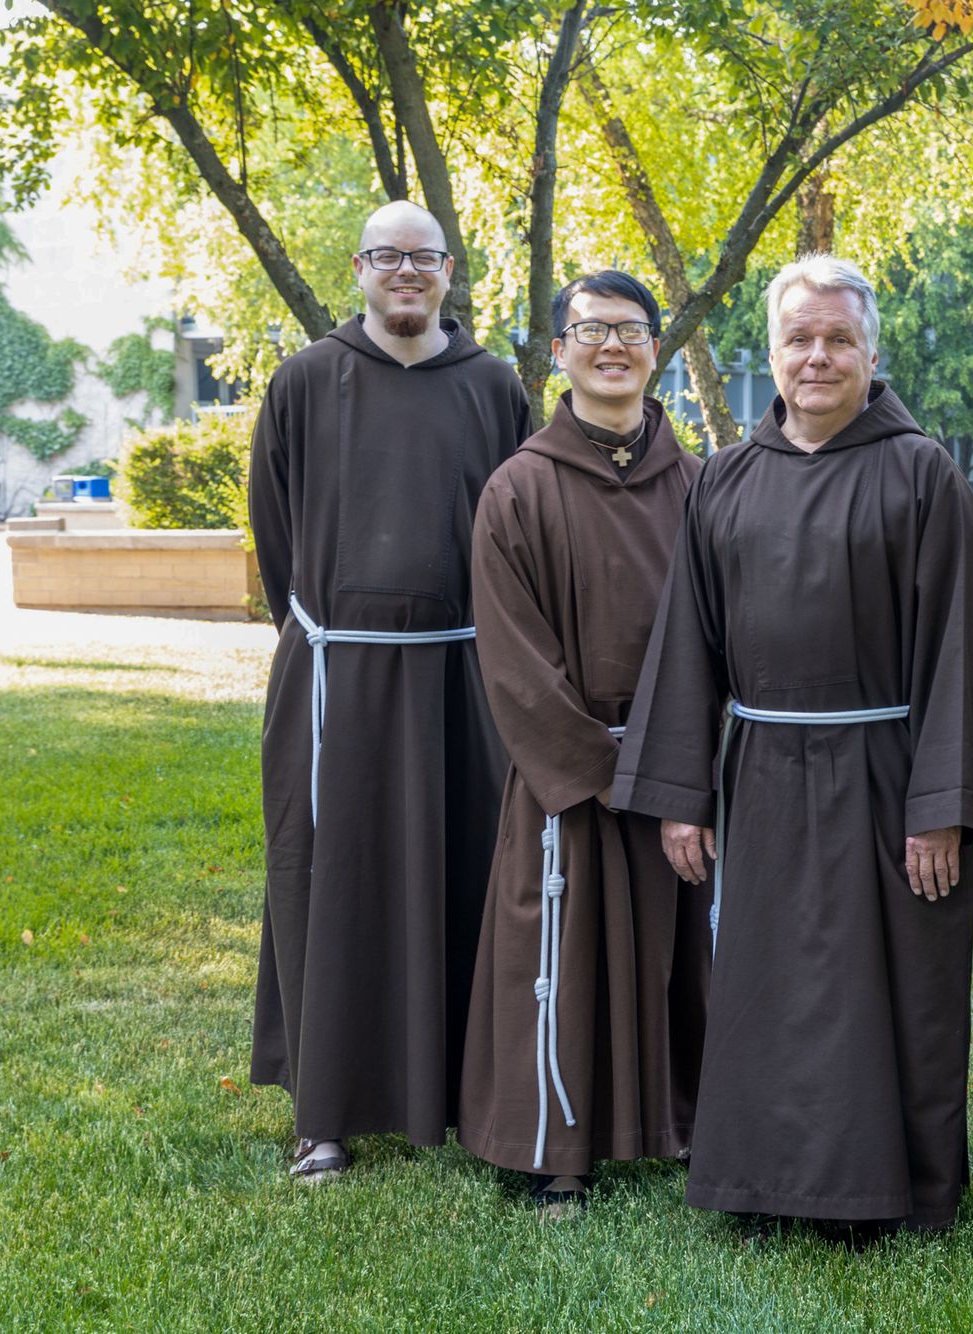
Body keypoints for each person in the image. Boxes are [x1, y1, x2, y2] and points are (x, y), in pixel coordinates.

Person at [611, 254, 973, 1232]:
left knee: (888, 985)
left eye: (836, 339)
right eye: (797, 338)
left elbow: (956, 647)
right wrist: (682, 792)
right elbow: (688, 641)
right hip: (764, 772)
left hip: (882, 771)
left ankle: (891, 1189)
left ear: (870, 351)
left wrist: (938, 807)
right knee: (764, 986)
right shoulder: (725, 479)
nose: (816, 356)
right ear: (770, 353)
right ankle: (761, 1181)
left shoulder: (922, 475)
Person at [247, 201, 531, 1183]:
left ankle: (460, 1087)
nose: (404, 273)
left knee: (468, 874)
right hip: (340, 674)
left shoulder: (494, 385)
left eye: (422, 259)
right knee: (328, 879)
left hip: (461, 670)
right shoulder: (304, 381)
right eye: (386, 257)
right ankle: (322, 1112)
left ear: (448, 270)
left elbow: (517, 526)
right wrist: (335, 629)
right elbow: (274, 532)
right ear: (360, 267)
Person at [458, 270, 709, 1217]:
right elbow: (514, 661)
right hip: (574, 771)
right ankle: (557, 1150)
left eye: (632, 330)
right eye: (590, 330)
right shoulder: (518, 489)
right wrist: (607, 771)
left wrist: (682, 763)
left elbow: (729, 632)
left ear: (657, 351)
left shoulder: (701, 483)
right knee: (559, 953)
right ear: (558, 352)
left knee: (691, 952)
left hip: (681, 767)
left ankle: (687, 1122)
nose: (613, 346)